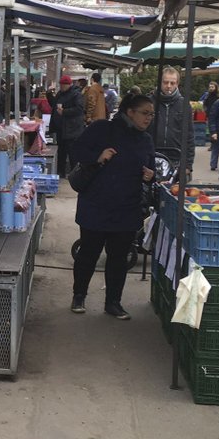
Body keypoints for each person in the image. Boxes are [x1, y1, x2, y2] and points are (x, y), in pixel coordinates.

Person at [69, 94, 156, 319]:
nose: (149, 118)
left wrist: (149, 175)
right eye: (145, 113)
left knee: (119, 258)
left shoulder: (145, 139)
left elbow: (150, 167)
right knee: (88, 253)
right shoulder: (102, 129)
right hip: (96, 204)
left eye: (151, 114)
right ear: (130, 112)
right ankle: (79, 295)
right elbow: (77, 151)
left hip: (127, 207)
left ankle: (113, 302)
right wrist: (98, 157)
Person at [147, 67, 194, 177]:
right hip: (151, 156)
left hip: (176, 158)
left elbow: (189, 136)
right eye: (165, 82)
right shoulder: (149, 103)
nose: (168, 86)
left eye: (172, 83)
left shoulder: (184, 105)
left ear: (177, 84)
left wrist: (188, 165)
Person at [48, 75, 85, 175]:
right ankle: (61, 172)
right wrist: (49, 95)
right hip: (61, 128)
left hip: (72, 128)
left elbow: (79, 109)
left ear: (69, 85)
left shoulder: (76, 94)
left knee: (72, 152)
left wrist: (64, 111)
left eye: (64, 85)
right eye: (61, 85)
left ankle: (74, 174)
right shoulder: (60, 94)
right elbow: (54, 105)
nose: (62, 87)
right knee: (61, 151)